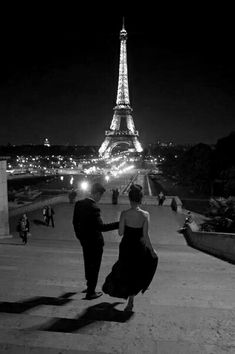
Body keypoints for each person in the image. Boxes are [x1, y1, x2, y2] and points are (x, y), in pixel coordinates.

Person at [102, 184, 158, 311]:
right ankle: (131, 301)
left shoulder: (124, 214)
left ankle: (120, 291)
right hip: (138, 247)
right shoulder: (145, 215)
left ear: (129, 199)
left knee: (125, 270)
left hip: (126, 247)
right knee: (135, 272)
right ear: (141, 199)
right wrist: (152, 250)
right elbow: (145, 236)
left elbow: (120, 233)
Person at [73, 182, 119, 300]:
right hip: (95, 243)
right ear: (97, 194)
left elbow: (75, 223)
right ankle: (91, 292)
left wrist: (80, 237)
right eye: (101, 195)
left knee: (88, 264)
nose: (100, 198)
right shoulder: (94, 207)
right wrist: (119, 224)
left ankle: (89, 287)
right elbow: (101, 227)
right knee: (94, 267)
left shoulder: (79, 204)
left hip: (85, 242)